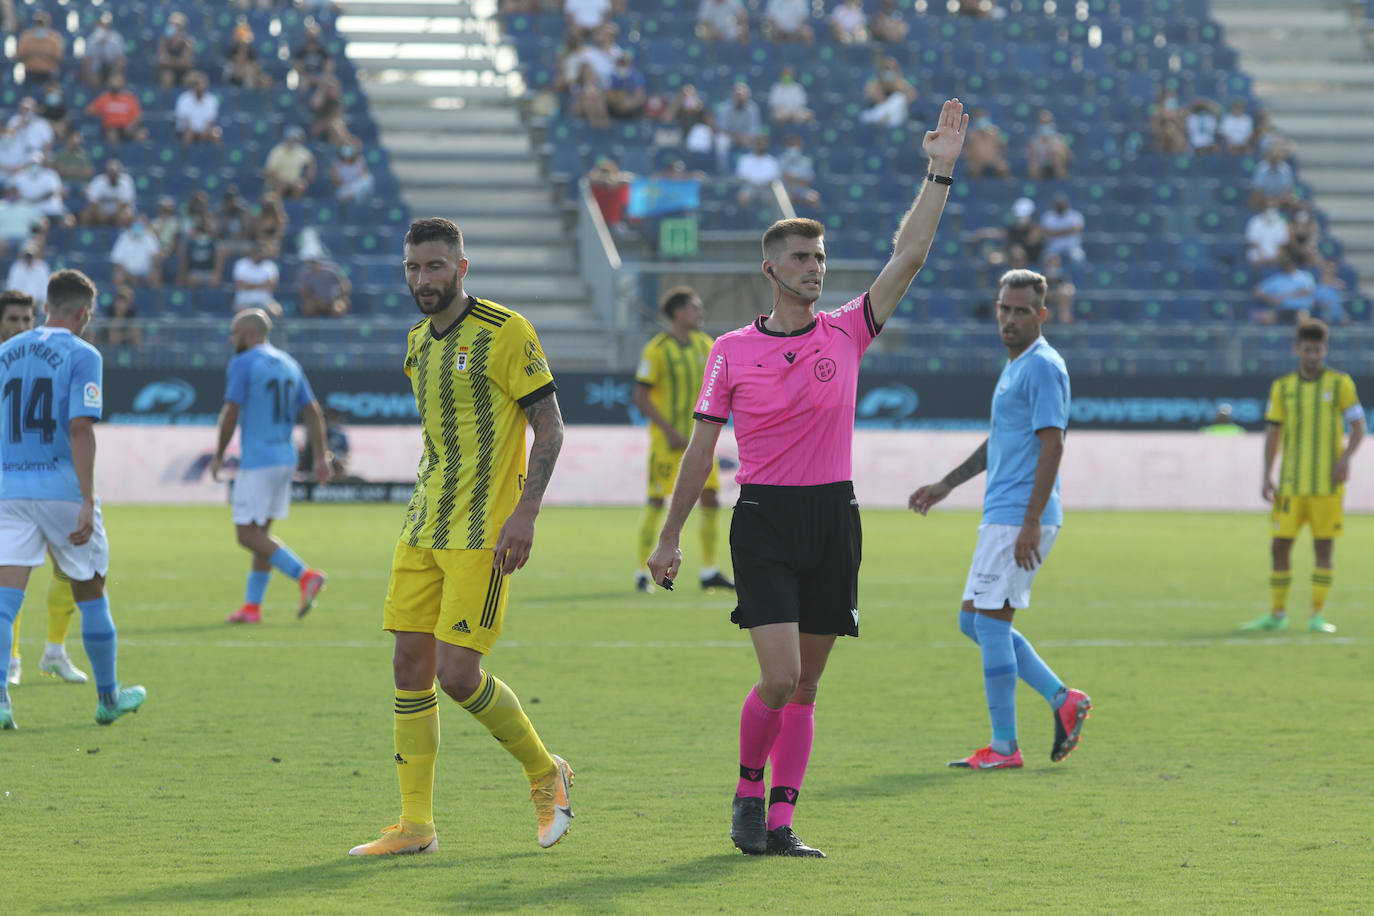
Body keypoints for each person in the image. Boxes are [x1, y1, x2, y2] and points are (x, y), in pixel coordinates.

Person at [648, 98, 970, 859]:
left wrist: (941, 171)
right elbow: (700, 451)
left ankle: (783, 822)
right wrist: (668, 538)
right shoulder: (729, 349)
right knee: (779, 677)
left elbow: (910, 255)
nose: (815, 269)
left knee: (810, 685)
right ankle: (745, 791)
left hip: (834, 516)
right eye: (800, 259)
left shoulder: (848, 329)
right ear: (770, 269)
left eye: (820, 259)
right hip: (761, 518)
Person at [348, 217, 574, 856]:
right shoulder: (417, 342)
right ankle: (415, 826)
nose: (423, 279)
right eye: (414, 267)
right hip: (422, 526)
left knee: (456, 673)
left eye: (436, 267)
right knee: (408, 666)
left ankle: (543, 772)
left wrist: (524, 513)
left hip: (483, 534)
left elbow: (550, 430)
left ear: (462, 268)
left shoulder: (506, 332)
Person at [908, 268, 1090, 772]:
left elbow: (1053, 443)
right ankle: (1062, 699)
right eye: (1004, 309)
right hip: (1005, 512)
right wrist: (947, 484)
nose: (1010, 319)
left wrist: (1031, 519)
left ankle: (1005, 747)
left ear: (1042, 315)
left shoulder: (1043, 367)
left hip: (1019, 516)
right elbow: (1003, 441)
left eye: (1022, 311)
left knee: (988, 623)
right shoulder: (1016, 367)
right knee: (974, 621)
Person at [0, 269, 147, 731]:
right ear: (83, 312)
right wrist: (87, 499)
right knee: (91, 590)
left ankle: (2, 703)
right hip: (61, 489)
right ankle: (108, 698)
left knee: (4, 603)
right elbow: (80, 428)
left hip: (8, 489)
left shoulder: (4, 352)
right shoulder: (83, 354)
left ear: (46, 306)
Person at [210, 309, 331, 624]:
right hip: (285, 458)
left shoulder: (244, 362)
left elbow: (231, 412)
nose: (231, 339)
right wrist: (321, 456)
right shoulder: (289, 363)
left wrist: (219, 453)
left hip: (259, 459)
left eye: (234, 333)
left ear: (250, 334)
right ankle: (252, 607)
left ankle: (305, 575)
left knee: (246, 535)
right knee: (261, 531)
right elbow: (314, 412)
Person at [1245, 320, 1364, 634]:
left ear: (1325, 350)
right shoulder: (1283, 387)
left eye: (1318, 350)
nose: (1313, 355)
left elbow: (1358, 426)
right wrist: (1266, 474)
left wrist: (1346, 459)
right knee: (1279, 546)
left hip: (1327, 485)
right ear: (1296, 349)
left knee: (1324, 548)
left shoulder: (1340, 384)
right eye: (1307, 349)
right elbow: (1273, 432)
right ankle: (1277, 614)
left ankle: (1317, 615)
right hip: (1290, 485)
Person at [1, 289, 89, 689]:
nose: (21, 326)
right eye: (12, 319)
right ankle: (13, 659)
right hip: (11, 485)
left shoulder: (50, 361)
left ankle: (55, 650)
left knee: (68, 567)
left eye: (26, 319)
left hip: (52, 482)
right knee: (9, 576)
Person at [633, 287, 733, 594]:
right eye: (695, 308)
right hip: (669, 443)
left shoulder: (708, 346)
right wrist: (668, 430)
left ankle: (709, 570)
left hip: (701, 443)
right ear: (678, 312)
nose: (701, 313)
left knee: (712, 498)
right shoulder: (658, 349)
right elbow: (640, 395)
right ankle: (641, 572)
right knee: (656, 501)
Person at [85, 74, 147, 145]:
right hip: (110, 128)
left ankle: (133, 154)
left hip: (127, 128)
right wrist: (99, 115)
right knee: (112, 134)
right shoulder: (104, 98)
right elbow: (88, 111)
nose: (115, 83)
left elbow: (138, 116)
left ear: (122, 83)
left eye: (117, 80)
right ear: (109, 83)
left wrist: (131, 125)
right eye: (113, 81)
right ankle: (114, 155)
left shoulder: (130, 98)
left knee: (142, 134)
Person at [1254, 253, 1315, 323]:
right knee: (1266, 317)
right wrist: (1270, 298)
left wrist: (1282, 296)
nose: (1289, 265)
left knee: (1302, 318)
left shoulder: (1305, 276)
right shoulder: (1277, 278)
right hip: (1281, 309)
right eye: (1286, 263)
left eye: (1290, 262)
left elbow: (1306, 291)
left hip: (1300, 309)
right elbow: (1257, 291)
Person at [110, 217, 164, 289]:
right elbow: (117, 261)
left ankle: (154, 298)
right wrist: (129, 275)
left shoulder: (149, 237)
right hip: (127, 273)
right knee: (118, 277)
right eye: (136, 224)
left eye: (140, 225)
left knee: (156, 275)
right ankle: (120, 298)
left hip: (146, 273)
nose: (138, 227)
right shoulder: (124, 237)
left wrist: (152, 268)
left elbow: (156, 258)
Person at [264, 127, 316, 199]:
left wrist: (306, 179)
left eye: (296, 140)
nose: (294, 141)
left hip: (293, 183)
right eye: (292, 139)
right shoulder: (277, 151)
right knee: (279, 187)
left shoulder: (301, 151)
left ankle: (294, 207)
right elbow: (270, 172)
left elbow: (311, 160)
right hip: (278, 182)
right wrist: (280, 181)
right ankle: (278, 207)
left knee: (300, 186)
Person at [16, 11, 65, 86]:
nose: (41, 25)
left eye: (43, 23)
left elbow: (58, 58)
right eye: (39, 23)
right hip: (30, 72)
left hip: (48, 73)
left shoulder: (54, 39)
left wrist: (44, 54)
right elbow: (19, 56)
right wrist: (33, 53)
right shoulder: (26, 38)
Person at [174, 71, 222, 146]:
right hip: (187, 130)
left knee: (216, 134)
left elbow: (210, 122)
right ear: (193, 85)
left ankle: (213, 156)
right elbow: (186, 122)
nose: (200, 86)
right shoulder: (184, 99)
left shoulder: (212, 100)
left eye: (202, 83)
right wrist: (192, 131)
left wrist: (204, 132)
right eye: (197, 84)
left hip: (205, 130)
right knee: (188, 134)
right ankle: (185, 156)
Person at [298, 250, 351, 317]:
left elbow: (345, 284)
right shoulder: (304, 273)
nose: (312, 264)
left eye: (314, 261)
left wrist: (342, 298)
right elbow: (304, 291)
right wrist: (318, 301)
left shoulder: (334, 268)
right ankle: (312, 326)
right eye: (309, 262)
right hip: (317, 302)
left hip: (334, 300)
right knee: (308, 308)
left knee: (339, 308)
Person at [231, 245, 281, 315]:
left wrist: (250, 285)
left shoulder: (270, 265)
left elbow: (272, 285)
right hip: (244, 302)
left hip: (265, 302)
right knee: (241, 314)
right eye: (256, 252)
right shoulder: (241, 264)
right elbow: (241, 285)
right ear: (251, 253)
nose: (259, 254)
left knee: (276, 311)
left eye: (260, 252)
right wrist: (263, 285)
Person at [82, 11, 126, 89]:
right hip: (96, 71)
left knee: (115, 81)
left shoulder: (116, 39)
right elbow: (86, 62)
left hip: (112, 70)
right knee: (94, 81)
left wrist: (118, 75)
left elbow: (120, 60)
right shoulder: (91, 40)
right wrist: (88, 77)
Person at [963, 107, 1011, 179]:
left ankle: (1007, 187)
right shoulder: (972, 133)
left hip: (993, 158)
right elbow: (967, 149)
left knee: (1003, 167)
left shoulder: (995, 131)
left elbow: (1004, 144)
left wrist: (999, 155)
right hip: (977, 160)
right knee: (974, 169)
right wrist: (971, 158)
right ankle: (976, 188)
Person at [1027, 110, 1071, 180]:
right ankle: (1037, 186)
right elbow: (1031, 158)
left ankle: (1063, 183)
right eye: (1043, 122)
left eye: (1048, 122)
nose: (1045, 125)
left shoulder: (1059, 139)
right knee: (1034, 166)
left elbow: (1068, 157)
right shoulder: (1034, 141)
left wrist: (1060, 152)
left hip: (1056, 164)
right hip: (1041, 165)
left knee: (1057, 153)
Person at [156, 12, 195, 89]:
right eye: (172, 25)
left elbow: (186, 63)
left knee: (190, 79)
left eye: (178, 26)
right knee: (167, 76)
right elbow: (161, 61)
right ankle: (165, 100)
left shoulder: (188, 42)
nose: (175, 28)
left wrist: (169, 61)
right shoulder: (163, 41)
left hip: (184, 72)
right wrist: (179, 61)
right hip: (167, 71)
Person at [330, 140, 374, 205]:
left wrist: (354, 186)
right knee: (345, 193)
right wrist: (346, 184)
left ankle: (353, 197)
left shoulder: (359, 160)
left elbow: (363, 176)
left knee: (368, 179)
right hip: (343, 188)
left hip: (357, 188)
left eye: (349, 147)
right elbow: (335, 181)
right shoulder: (336, 163)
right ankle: (350, 199)